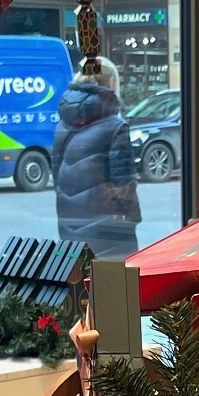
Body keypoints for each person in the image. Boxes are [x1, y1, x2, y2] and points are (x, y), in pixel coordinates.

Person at [51, 55, 140, 259]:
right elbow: (123, 186)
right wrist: (132, 219)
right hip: (110, 233)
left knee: (80, 279)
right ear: (111, 83)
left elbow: (58, 179)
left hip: (69, 227)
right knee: (115, 279)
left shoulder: (62, 127)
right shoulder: (116, 127)